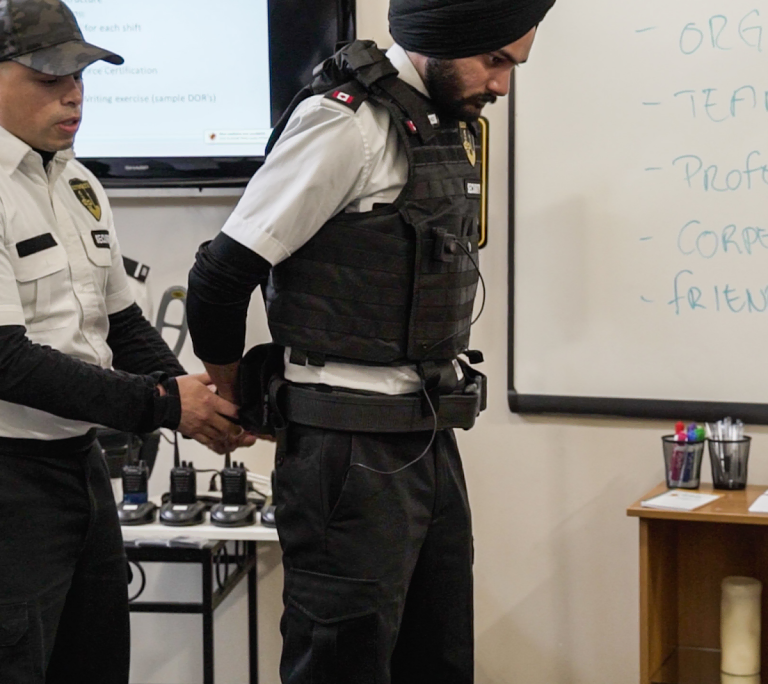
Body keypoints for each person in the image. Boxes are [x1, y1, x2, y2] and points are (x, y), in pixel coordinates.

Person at [186, 1, 556, 682]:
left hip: (425, 432)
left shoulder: (434, 122)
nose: (502, 85)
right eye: (495, 61)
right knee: (342, 663)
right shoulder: (343, 126)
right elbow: (219, 276)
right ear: (443, 41)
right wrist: (234, 392)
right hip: (347, 448)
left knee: (439, 654)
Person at [0, 0, 246, 681]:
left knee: (95, 665)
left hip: (74, 466)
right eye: (49, 79)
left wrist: (201, 400)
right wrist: (170, 406)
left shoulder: (77, 181)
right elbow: (5, 365)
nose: (73, 95)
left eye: (80, 75)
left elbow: (119, 323)